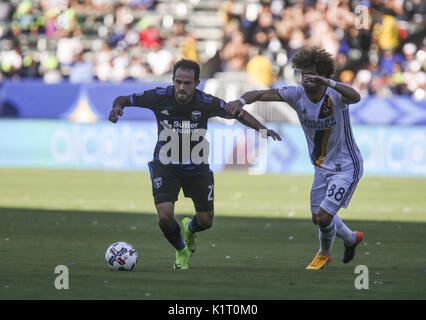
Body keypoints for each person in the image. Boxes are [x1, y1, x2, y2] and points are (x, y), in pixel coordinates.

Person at [109, 59, 281, 270]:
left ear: (197, 82)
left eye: (187, 83)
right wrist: (117, 108)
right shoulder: (158, 97)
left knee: (206, 221)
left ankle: (190, 230)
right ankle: (181, 251)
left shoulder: (206, 102)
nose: (181, 87)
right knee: (165, 215)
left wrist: (262, 129)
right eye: (178, 81)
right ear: (173, 80)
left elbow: (238, 113)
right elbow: (123, 98)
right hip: (166, 165)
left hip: (197, 167)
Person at [226, 47, 364, 270]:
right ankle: (350, 239)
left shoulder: (336, 96)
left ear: (322, 76)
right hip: (321, 167)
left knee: (324, 217)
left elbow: (356, 97)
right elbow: (260, 94)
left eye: (311, 75)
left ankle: (323, 255)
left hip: (346, 167)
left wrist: (329, 82)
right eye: (303, 74)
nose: (306, 79)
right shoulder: (295, 94)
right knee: (317, 218)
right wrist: (241, 101)